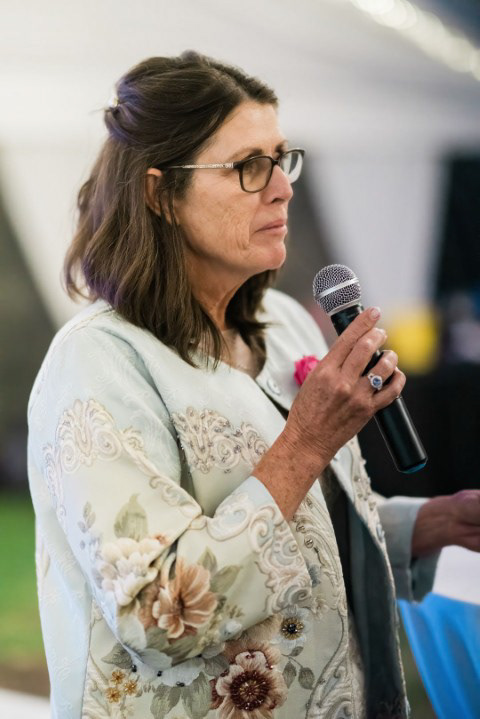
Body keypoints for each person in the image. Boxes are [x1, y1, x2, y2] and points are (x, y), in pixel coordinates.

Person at [27, 52, 480, 719]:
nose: (282, 188)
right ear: (159, 194)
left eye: (281, 159)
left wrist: (430, 523)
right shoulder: (98, 363)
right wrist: (307, 441)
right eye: (248, 166)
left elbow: (307, 524)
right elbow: (157, 612)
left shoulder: (287, 324)